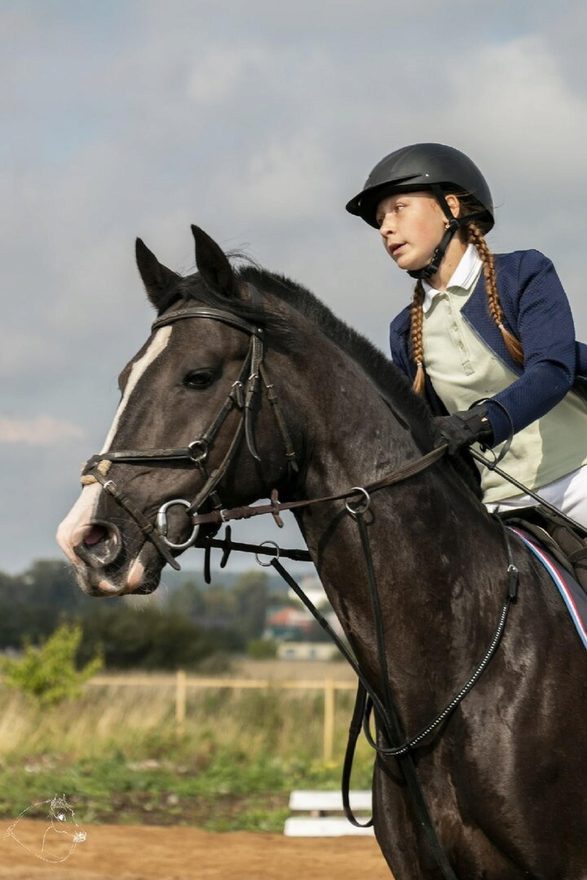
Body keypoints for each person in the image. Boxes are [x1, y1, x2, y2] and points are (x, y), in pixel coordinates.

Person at [346, 142, 587, 528]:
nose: (386, 227)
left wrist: (479, 422)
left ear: (450, 209)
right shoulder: (406, 331)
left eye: (398, 208)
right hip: (500, 505)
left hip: (578, 477)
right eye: (380, 219)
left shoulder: (523, 274)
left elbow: (553, 371)